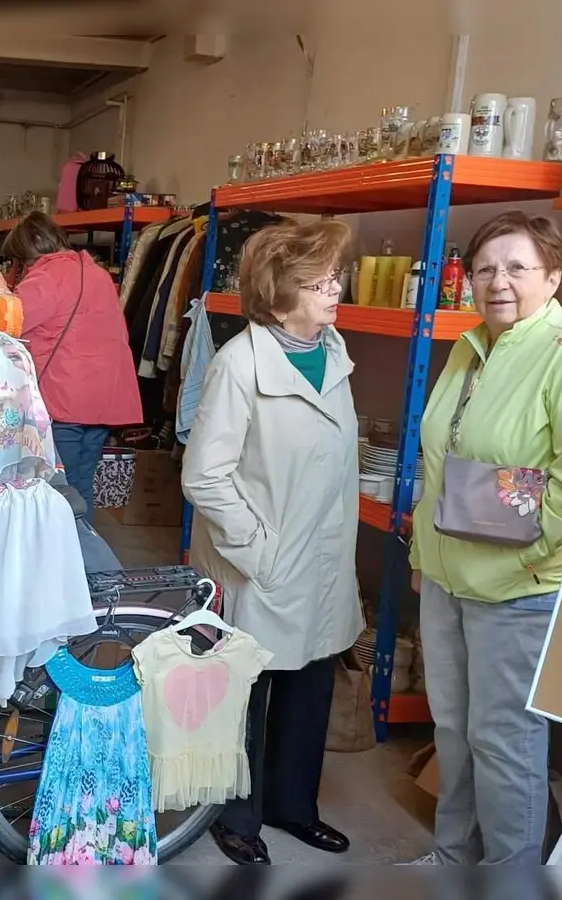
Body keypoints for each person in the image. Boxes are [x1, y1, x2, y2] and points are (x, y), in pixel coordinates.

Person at [408, 212, 562, 865]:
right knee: (452, 728)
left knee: (503, 740)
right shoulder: (469, 346)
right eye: (484, 269)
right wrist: (423, 553)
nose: (498, 282)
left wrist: (525, 555)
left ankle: (509, 876)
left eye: (517, 268)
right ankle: (451, 860)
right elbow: (440, 460)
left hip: (517, 588)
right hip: (445, 574)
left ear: (552, 278)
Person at [181, 218, 362, 866]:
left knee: (309, 685)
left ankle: (293, 805)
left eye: (336, 276)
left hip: (321, 557)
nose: (335, 288)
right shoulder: (239, 365)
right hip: (256, 561)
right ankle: (234, 817)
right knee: (246, 693)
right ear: (278, 295)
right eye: (319, 281)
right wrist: (259, 547)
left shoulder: (333, 353)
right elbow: (204, 475)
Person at [3, 212, 141, 520]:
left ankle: (66, 548)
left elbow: (8, 326)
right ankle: (83, 547)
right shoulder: (98, 274)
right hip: (104, 399)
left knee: (58, 488)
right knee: (81, 483)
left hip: (64, 399)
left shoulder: (44, 277)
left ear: (27, 253)